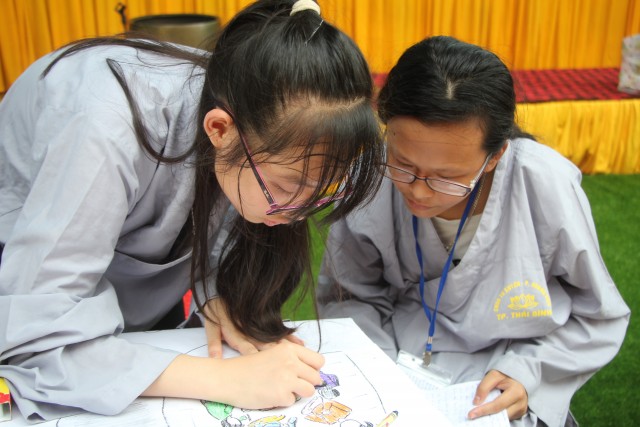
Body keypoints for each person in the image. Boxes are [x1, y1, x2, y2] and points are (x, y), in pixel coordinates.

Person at [0, 0, 384, 421]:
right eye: (286, 188)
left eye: (321, 192)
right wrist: (224, 380)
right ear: (219, 129)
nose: (296, 215)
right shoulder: (104, 125)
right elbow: (34, 340)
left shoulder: (248, 104)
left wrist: (216, 293)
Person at [317, 36, 630, 427]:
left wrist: (531, 374)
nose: (418, 191)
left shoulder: (545, 184)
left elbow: (598, 315)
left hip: (511, 367)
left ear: (495, 156)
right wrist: (378, 371)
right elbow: (348, 296)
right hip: (396, 361)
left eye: (447, 177)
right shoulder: (370, 177)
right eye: (402, 163)